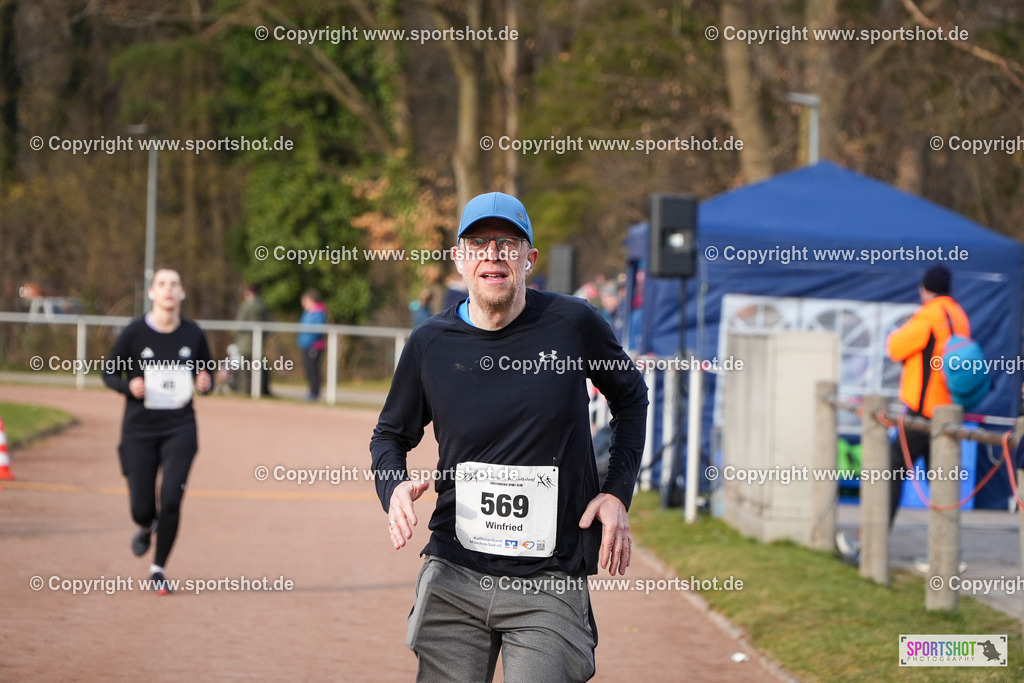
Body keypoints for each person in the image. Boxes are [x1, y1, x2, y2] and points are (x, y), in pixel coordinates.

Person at [370, 191, 649, 681]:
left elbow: (631, 399)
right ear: (459, 258)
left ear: (528, 259)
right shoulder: (430, 344)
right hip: (455, 573)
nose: (493, 254)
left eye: (507, 243)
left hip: (549, 579)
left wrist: (616, 491)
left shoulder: (573, 324)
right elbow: (390, 434)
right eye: (478, 243)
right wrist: (392, 487)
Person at [836, 264, 970, 561]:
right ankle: (948, 557)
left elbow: (895, 347)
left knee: (892, 471)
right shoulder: (959, 315)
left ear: (925, 289)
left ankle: (869, 548)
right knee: (942, 482)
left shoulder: (928, 315)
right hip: (950, 410)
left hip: (923, 413)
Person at [102, 267, 214, 594]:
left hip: (180, 428)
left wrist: (205, 383)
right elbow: (108, 373)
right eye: (162, 284)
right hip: (139, 429)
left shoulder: (193, 333)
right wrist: (128, 386)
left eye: (174, 284)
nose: (168, 289)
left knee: (172, 498)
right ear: (151, 292)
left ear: (182, 293)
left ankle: (158, 569)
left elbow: (205, 373)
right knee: (141, 507)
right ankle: (146, 524)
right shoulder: (134, 332)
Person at [235, 283, 272, 396]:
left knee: (245, 366)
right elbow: (268, 323)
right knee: (259, 365)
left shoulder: (246, 305)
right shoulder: (263, 305)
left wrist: (235, 333)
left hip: (245, 341)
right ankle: (263, 389)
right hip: (259, 341)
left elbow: (240, 323)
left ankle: (245, 389)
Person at [298, 289, 327, 401]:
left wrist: (310, 341)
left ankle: (315, 392)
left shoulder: (318, 313)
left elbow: (318, 329)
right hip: (306, 345)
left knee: (314, 369)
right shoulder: (307, 313)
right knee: (308, 369)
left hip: (314, 345)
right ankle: (311, 391)